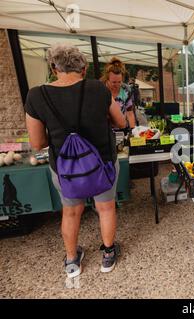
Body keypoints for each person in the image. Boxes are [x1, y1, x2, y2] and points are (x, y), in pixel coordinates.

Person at [24, 44, 126, 278]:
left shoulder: (36, 95)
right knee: (106, 207)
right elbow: (120, 122)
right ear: (85, 67)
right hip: (103, 162)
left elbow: (37, 143)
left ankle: (72, 262)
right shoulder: (98, 89)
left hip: (65, 167)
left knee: (70, 212)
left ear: (53, 67)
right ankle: (108, 256)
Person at [101, 57, 136, 130]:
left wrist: (133, 130)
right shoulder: (100, 88)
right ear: (107, 79)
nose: (117, 85)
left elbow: (130, 113)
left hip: (122, 129)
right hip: (104, 130)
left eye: (119, 82)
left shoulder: (126, 90)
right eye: (113, 82)